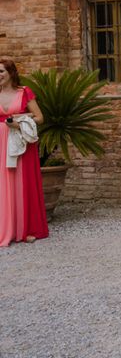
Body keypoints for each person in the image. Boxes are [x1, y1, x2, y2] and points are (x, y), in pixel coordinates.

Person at [0, 59, 49, 247]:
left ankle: (25, 229)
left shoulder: (24, 92)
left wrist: (20, 119)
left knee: (22, 183)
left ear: (11, 73)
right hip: (0, 142)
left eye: (1, 71)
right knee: (3, 184)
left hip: (19, 142)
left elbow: (40, 117)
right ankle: (5, 227)